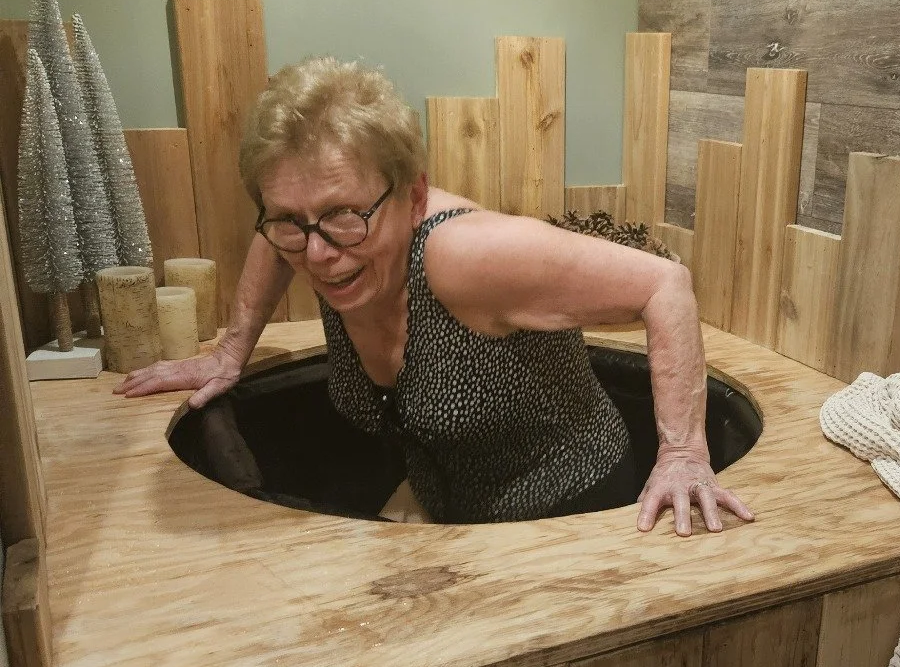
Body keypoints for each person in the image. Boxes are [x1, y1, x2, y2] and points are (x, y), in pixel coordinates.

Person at [118, 57, 754, 535]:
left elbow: (663, 283)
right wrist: (232, 351)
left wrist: (682, 455)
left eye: (344, 215)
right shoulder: (306, 236)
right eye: (290, 220)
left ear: (413, 196)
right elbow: (278, 239)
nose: (316, 253)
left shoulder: (465, 258)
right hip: (455, 512)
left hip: (576, 516)